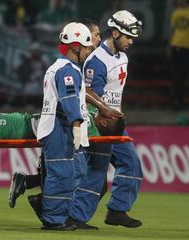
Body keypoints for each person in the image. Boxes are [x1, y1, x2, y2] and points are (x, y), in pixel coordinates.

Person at [68, 10, 143, 228]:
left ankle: (117, 210)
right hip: (101, 124)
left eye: (132, 37)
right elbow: (90, 94)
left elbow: (114, 92)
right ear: (114, 33)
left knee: (131, 164)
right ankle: (76, 217)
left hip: (114, 124)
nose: (130, 41)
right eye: (127, 36)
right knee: (97, 171)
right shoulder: (97, 60)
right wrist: (105, 116)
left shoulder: (123, 57)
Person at [34, 22, 93, 231]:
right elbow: (68, 100)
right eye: (86, 47)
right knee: (62, 174)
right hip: (59, 127)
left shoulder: (61, 67)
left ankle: (51, 208)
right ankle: (53, 219)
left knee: (77, 169)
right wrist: (77, 125)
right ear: (75, 46)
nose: (88, 51)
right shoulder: (67, 70)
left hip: (61, 125)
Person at [169, 0, 189, 109]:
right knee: (177, 75)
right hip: (176, 45)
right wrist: (169, 46)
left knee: (184, 74)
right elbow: (173, 30)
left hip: (187, 47)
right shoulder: (176, 12)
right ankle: (177, 100)